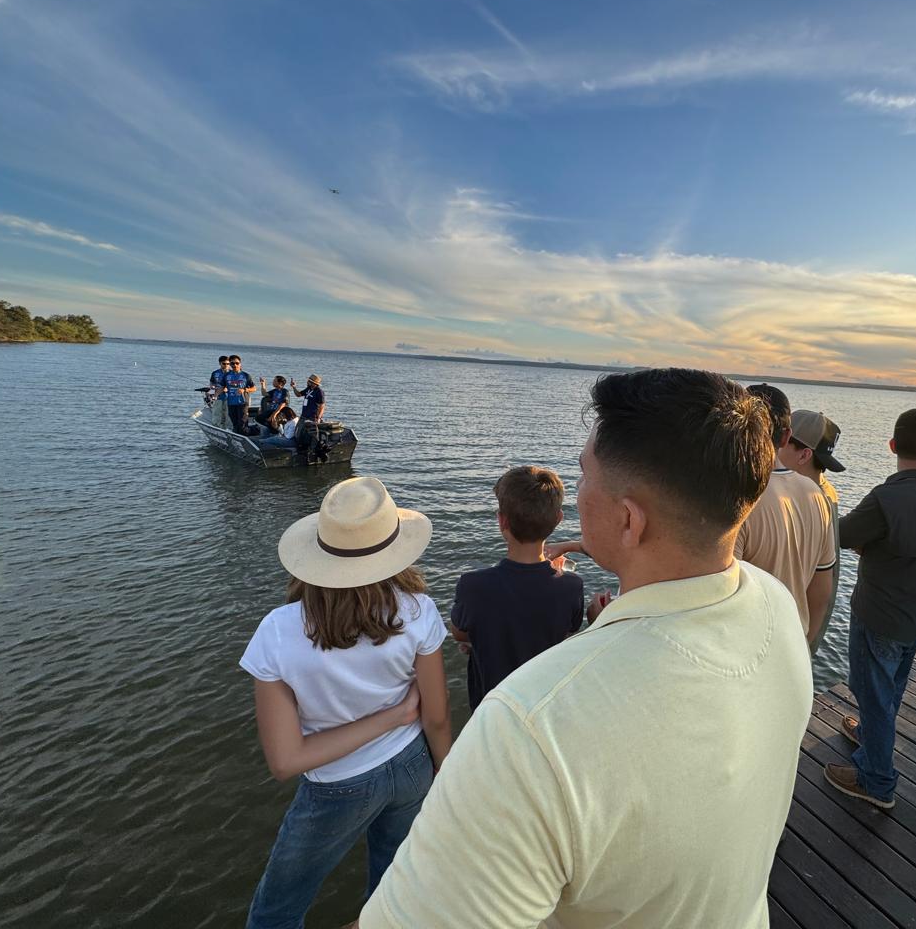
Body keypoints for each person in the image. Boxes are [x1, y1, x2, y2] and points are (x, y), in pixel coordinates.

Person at [360, 369, 813, 929]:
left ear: (627, 519)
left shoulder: (528, 727)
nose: (575, 493)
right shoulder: (774, 605)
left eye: (583, 477)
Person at [239, 476, 452, 929]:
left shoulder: (279, 631)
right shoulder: (417, 611)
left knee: (275, 914)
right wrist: (406, 728)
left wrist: (391, 718)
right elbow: (435, 717)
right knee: (392, 896)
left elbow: (285, 761)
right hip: (412, 765)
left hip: (337, 787)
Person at [823, 409, 916, 809]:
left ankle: (877, 781)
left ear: (892, 446)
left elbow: (839, 534)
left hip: (880, 613)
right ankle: (871, 738)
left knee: (874, 695)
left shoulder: (886, 498)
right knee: (890, 691)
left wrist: (870, 543)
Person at [449, 465, 585, 711]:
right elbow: (565, 634)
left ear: (502, 520)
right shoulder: (571, 586)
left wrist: (481, 639)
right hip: (542, 704)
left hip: (491, 708)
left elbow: (459, 633)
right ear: (558, 519)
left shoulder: (473, 585)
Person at [735, 384, 838, 647]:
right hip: (792, 645)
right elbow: (822, 589)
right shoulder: (818, 496)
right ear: (785, 436)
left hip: (746, 650)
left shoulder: (736, 499)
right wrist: (805, 648)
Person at [779, 408, 846, 653]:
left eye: (782, 440)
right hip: (804, 631)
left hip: (790, 634)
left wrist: (806, 645)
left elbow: (823, 583)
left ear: (804, 454)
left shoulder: (805, 500)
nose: (774, 446)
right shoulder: (827, 492)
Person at [222, 355, 257, 434]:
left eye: (237, 363)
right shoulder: (227, 375)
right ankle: (237, 437)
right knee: (235, 424)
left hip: (243, 403)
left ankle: (256, 430)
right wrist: (215, 395)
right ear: (230, 365)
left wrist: (245, 390)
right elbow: (222, 387)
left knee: (242, 425)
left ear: (240, 364)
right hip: (231, 403)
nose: (235, 365)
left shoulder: (246, 375)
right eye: (232, 363)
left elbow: (254, 388)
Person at [208, 355, 230, 427]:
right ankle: (216, 427)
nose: (226, 365)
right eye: (224, 363)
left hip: (229, 397)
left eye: (228, 364)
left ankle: (228, 428)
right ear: (220, 363)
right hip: (217, 397)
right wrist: (211, 393)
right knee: (217, 413)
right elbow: (212, 383)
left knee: (228, 414)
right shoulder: (215, 373)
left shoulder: (232, 373)